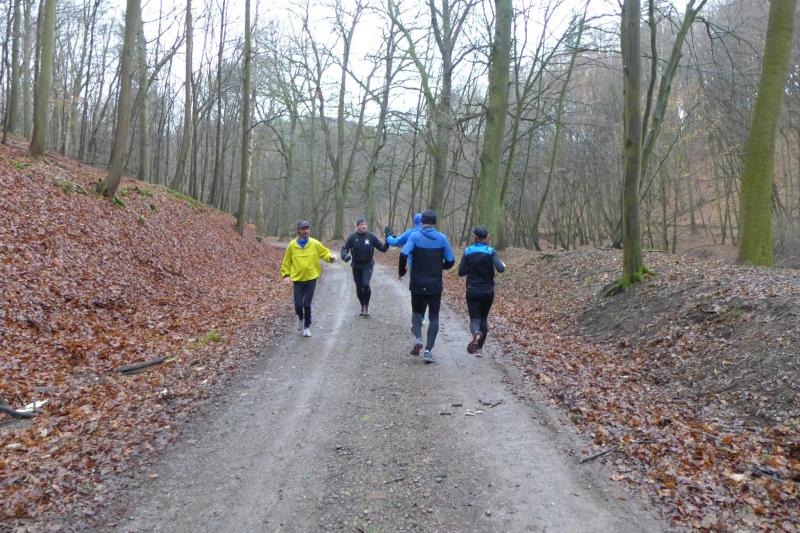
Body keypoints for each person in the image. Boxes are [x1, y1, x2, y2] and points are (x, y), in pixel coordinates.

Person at [399, 210, 455, 363]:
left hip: (417, 282)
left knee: (417, 313)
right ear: (434, 222)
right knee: (434, 317)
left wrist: (402, 271)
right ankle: (428, 351)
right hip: (434, 283)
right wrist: (440, 267)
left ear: (422, 222)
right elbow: (451, 260)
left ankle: (418, 339)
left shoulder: (415, 236)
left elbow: (403, 254)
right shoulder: (442, 238)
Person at [280, 220, 336, 337]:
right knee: (298, 306)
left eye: (307, 228)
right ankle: (301, 317)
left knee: (307, 304)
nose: (306, 231)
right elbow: (286, 262)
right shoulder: (292, 245)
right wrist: (286, 275)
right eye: (303, 229)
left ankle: (307, 327)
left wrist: (330, 258)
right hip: (298, 280)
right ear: (298, 231)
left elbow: (324, 253)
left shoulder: (314, 243)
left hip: (311, 278)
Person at [457, 226, 506, 357]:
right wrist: (501, 264)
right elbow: (501, 269)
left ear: (475, 237)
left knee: (474, 319)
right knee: (483, 318)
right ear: (487, 237)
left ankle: (475, 334)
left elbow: (461, 272)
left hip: (472, 290)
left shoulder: (468, 251)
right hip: (487, 291)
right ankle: (479, 349)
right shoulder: (491, 251)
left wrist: (471, 268)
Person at [340, 217, 389, 317]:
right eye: (361, 224)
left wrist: (388, 239)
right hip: (356, 266)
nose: (363, 226)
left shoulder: (371, 237)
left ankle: (366, 307)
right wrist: (345, 256)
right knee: (359, 288)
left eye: (365, 224)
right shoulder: (352, 237)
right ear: (357, 226)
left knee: (366, 284)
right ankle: (362, 306)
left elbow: (383, 248)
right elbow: (344, 249)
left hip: (368, 265)